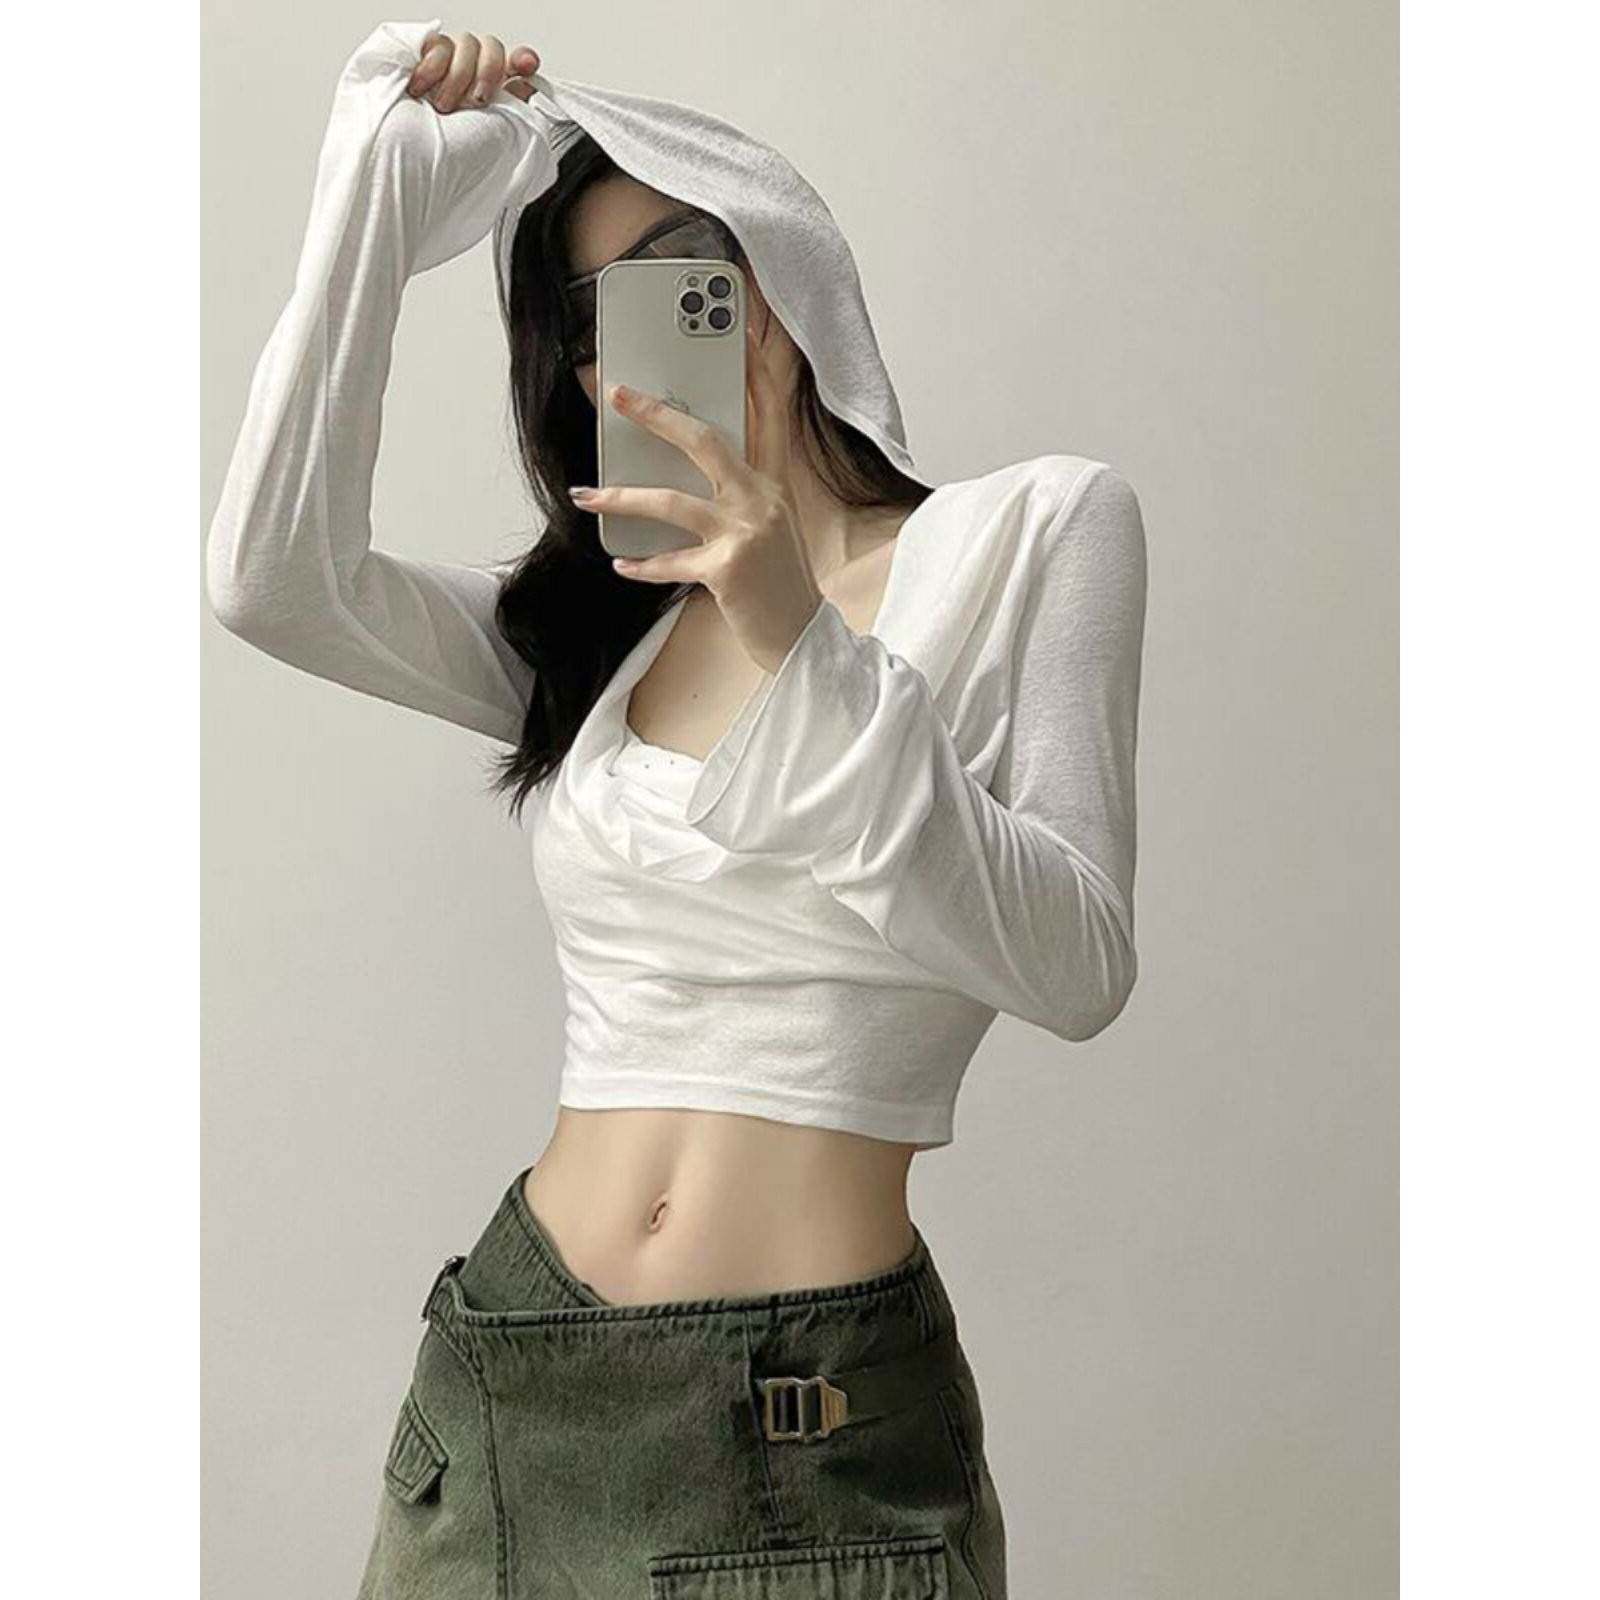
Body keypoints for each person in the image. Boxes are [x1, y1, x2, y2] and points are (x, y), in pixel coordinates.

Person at [206, 18, 1147, 1598]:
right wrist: (370, 196)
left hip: (801, 1438)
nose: (648, 330)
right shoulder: (601, 633)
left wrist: (797, 638)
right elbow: (272, 583)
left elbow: (1077, 967)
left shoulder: (1034, 532)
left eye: (684, 269)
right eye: (592, 314)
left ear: (784, 256)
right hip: (503, 1385)